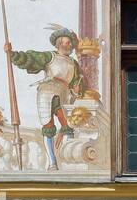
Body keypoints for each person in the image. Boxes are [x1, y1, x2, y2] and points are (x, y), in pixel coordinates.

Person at [5, 27, 82, 170]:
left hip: (65, 93)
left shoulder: (73, 63)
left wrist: (76, 90)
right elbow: (30, 59)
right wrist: (12, 54)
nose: (69, 45)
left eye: (70, 43)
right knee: (48, 126)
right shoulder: (49, 57)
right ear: (59, 43)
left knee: (68, 126)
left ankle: (68, 161)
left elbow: (76, 82)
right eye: (66, 43)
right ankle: (52, 162)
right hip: (47, 91)